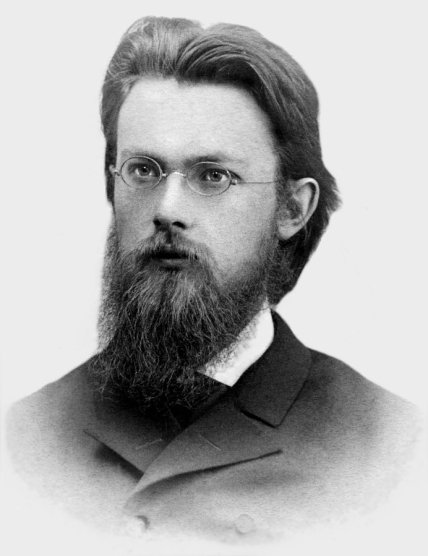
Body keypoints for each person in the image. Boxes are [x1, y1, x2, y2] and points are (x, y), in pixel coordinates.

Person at [7, 15, 422, 544]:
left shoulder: (389, 448)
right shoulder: (30, 434)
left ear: (292, 209)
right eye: (143, 170)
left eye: (213, 176)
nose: (167, 210)